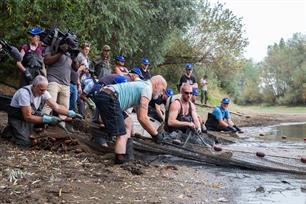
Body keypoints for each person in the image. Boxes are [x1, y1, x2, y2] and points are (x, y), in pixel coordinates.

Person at [93, 75, 167, 164]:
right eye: (163, 89)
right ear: (156, 84)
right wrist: (155, 134)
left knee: (129, 123)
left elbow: (140, 117)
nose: (162, 93)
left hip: (106, 95)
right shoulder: (147, 89)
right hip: (109, 97)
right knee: (121, 133)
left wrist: (154, 133)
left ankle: (127, 153)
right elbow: (143, 118)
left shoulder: (142, 85)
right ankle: (120, 159)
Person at [4, 76, 79, 147]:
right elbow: (27, 117)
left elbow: (56, 107)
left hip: (32, 115)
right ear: (34, 86)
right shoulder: (24, 93)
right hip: (18, 118)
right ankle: (10, 131)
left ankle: (32, 130)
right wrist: (47, 120)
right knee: (26, 142)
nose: (43, 92)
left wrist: (70, 113)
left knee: (52, 120)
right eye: (41, 90)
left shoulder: (43, 91)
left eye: (45, 89)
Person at [42, 35, 77, 126]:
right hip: (53, 80)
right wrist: (61, 52)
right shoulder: (53, 47)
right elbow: (46, 61)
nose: (69, 46)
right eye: (68, 44)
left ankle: (61, 127)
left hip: (66, 83)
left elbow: (75, 68)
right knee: (49, 105)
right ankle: (41, 125)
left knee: (64, 108)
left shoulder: (70, 52)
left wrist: (74, 58)